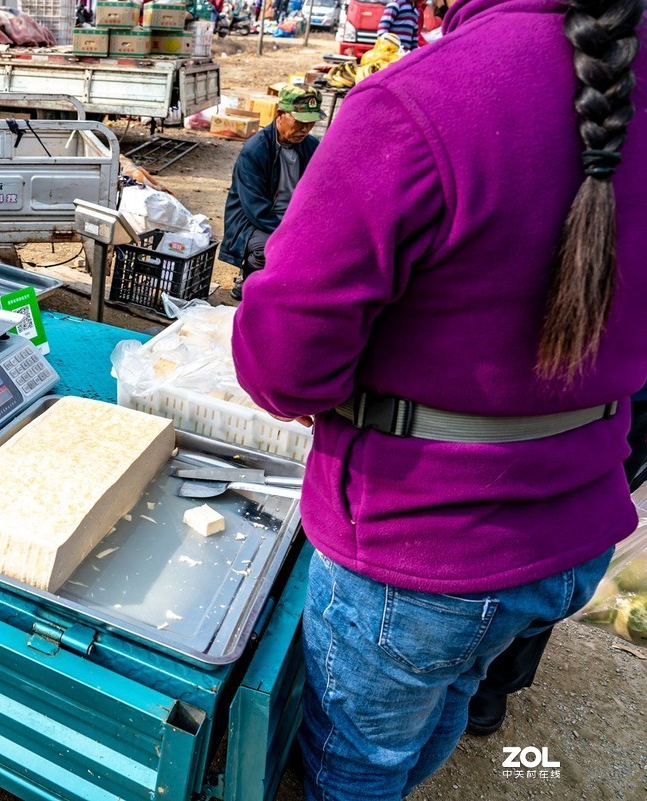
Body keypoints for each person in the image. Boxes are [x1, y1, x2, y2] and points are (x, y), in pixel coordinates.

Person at [231, 0, 646, 796]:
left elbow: (283, 364)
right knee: (448, 695)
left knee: (356, 763)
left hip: (422, 548)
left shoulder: (419, 103)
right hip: (578, 526)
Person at [468, 388, 647, 736]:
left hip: (629, 396)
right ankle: (450, 656)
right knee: (486, 522)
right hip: (520, 380)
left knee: (562, 545)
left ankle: (498, 678)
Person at [219, 85, 324, 301]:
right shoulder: (256, 150)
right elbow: (256, 209)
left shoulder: (311, 146)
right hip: (254, 222)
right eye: (300, 122)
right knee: (268, 249)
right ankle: (249, 281)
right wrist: (291, 233)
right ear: (280, 115)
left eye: (310, 123)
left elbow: (322, 190)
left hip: (293, 219)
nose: (305, 129)